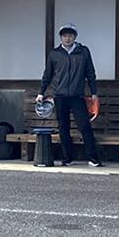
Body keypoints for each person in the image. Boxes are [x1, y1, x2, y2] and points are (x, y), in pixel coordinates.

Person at [36, 24, 102, 167]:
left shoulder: (83, 52)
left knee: (84, 126)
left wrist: (94, 92)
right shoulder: (55, 54)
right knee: (63, 127)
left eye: (70, 35)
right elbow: (47, 74)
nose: (67, 38)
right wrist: (41, 92)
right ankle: (68, 157)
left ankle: (93, 157)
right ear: (61, 37)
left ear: (75, 37)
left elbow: (90, 72)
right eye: (65, 36)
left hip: (77, 95)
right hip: (59, 95)